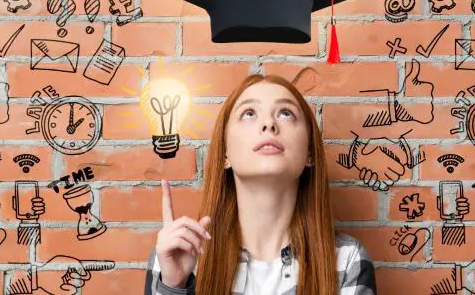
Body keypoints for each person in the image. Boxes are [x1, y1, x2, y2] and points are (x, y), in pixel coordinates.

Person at [144, 74, 377, 294]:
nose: (268, 123)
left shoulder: (347, 260)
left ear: (309, 153)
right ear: (225, 153)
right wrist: (173, 286)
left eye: (286, 113)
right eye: (248, 113)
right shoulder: (177, 255)